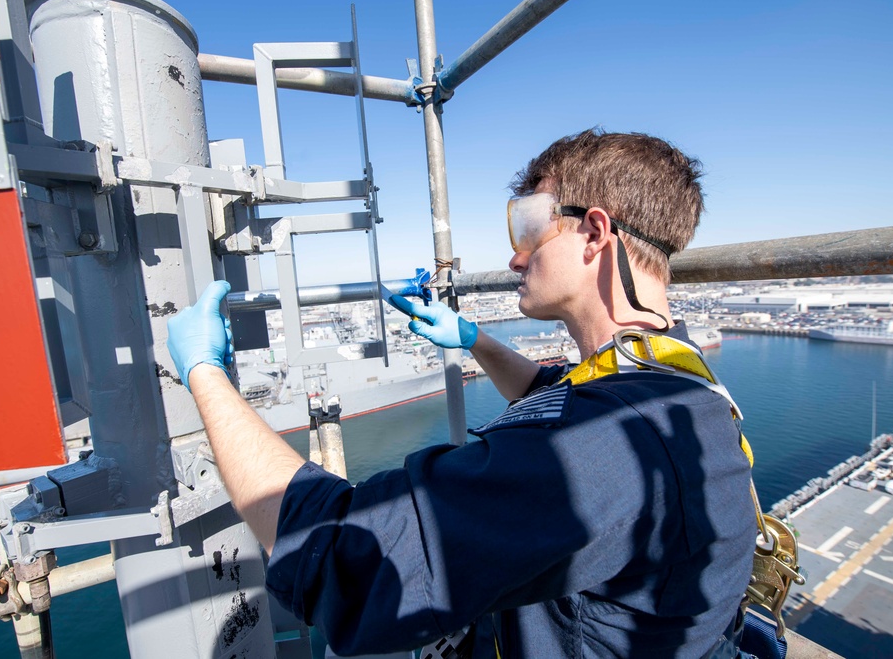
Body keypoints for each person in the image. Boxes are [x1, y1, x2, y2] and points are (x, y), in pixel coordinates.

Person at [168, 129, 754, 658]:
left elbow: (343, 559)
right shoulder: (672, 379)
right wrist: (474, 340)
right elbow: (561, 398)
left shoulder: (608, 444)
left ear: (595, 233)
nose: (514, 255)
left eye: (528, 228)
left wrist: (205, 373)